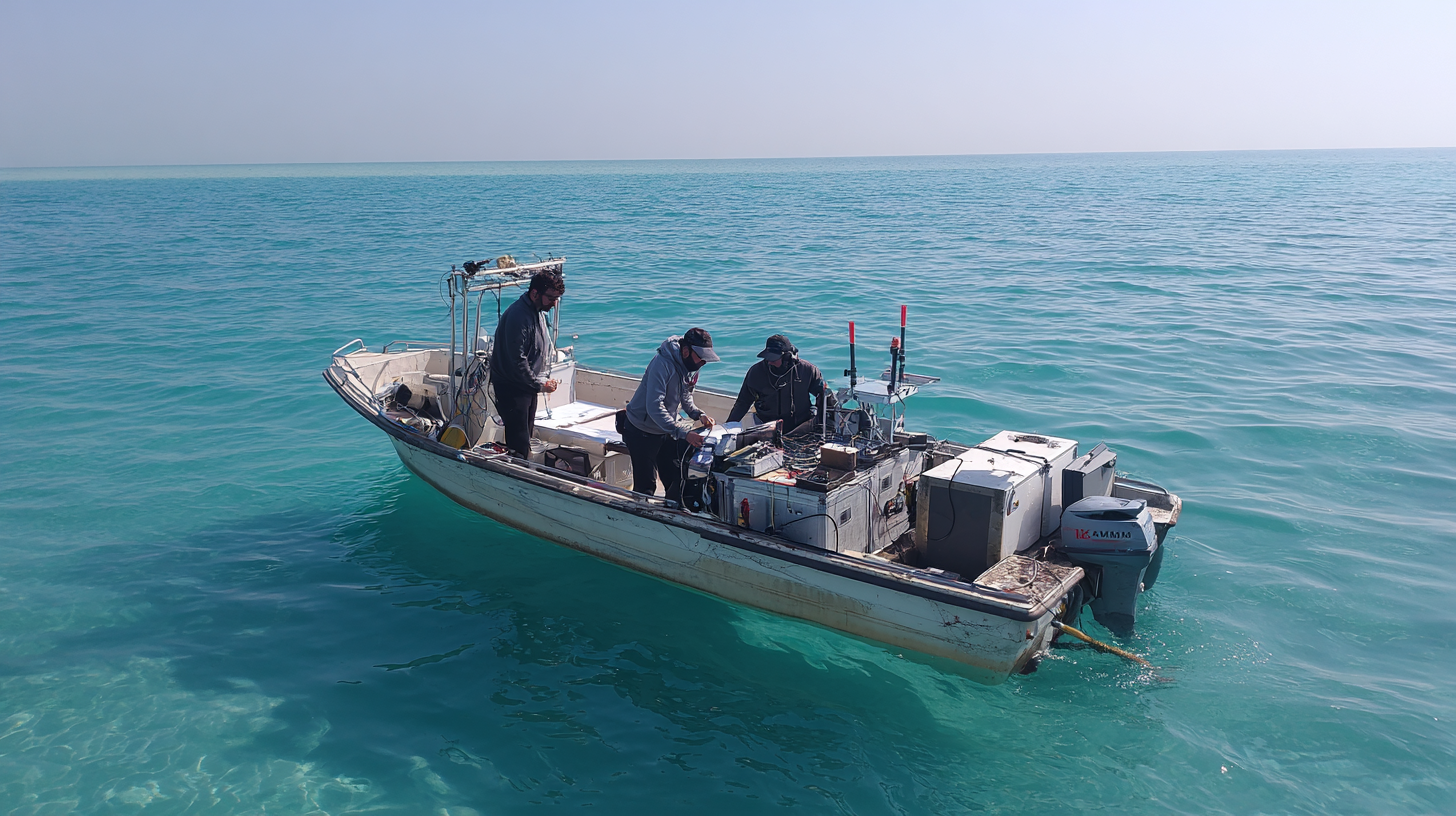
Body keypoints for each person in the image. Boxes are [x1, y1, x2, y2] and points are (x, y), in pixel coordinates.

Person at [623, 327, 719, 501]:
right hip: (641, 429)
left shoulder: (691, 366)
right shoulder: (662, 364)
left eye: (706, 359)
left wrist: (698, 414)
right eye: (701, 357)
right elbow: (654, 406)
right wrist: (683, 432)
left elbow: (686, 396)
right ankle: (639, 517)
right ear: (685, 351)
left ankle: (673, 514)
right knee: (646, 485)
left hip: (665, 429)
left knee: (676, 478)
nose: (703, 363)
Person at [489, 268, 564, 458]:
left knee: (526, 434)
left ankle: (521, 466)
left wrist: (539, 382)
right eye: (551, 298)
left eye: (557, 299)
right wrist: (539, 384)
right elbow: (517, 361)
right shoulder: (518, 316)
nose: (554, 304)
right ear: (535, 293)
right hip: (512, 387)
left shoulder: (535, 310)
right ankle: (516, 474)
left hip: (526, 386)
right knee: (519, 440)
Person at [727, 334, 836, 436]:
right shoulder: (756, 372)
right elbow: (743, 403)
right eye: (767, 357)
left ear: (787, 357)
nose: (769, 361)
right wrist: (728, 427)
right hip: (767, 426)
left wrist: (827, 425)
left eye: (773, 358)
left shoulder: (807, 370)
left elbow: (824, 396)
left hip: (800, 426)